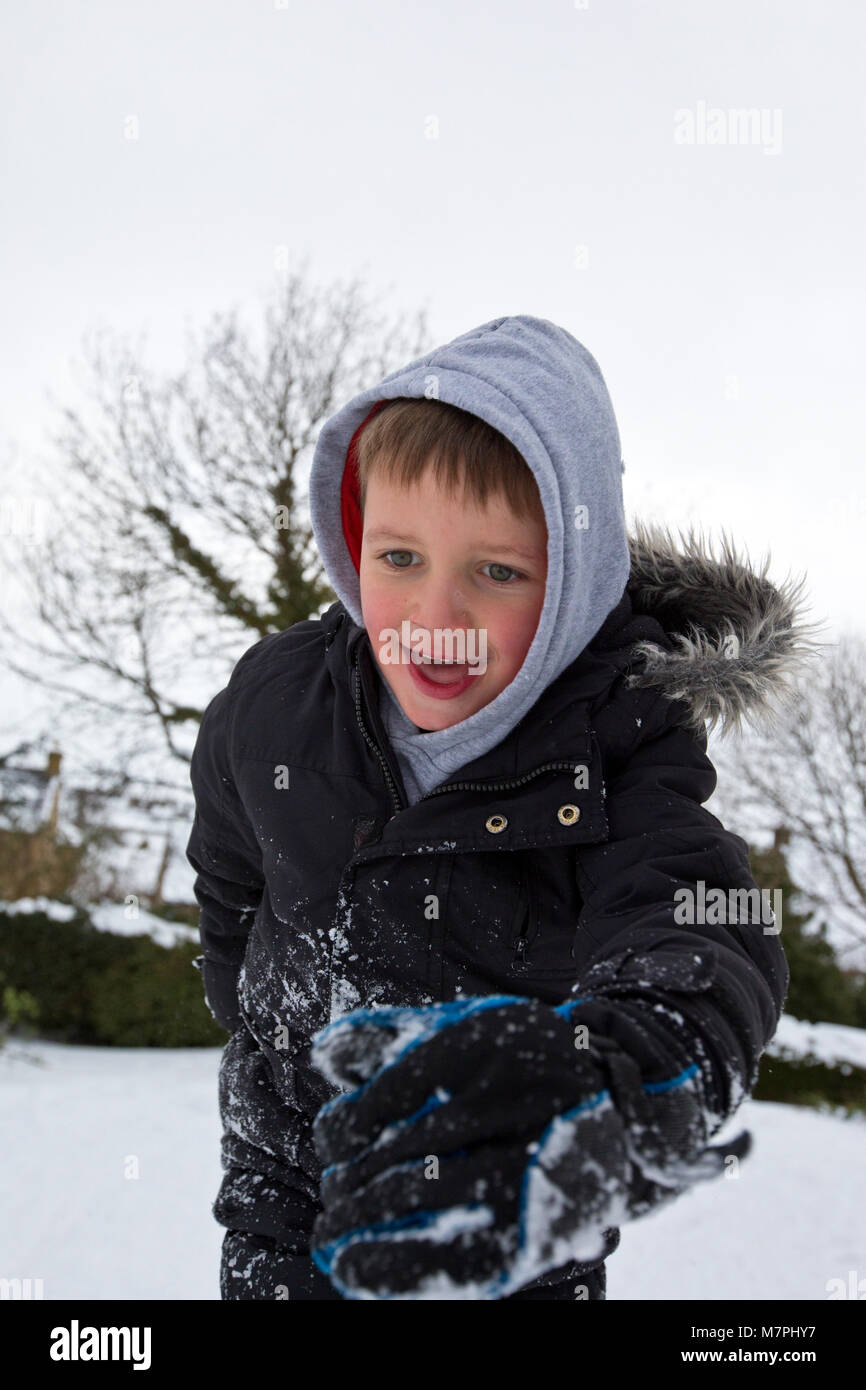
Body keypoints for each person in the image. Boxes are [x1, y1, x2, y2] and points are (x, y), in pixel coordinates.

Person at [186, 315, 815, 1301]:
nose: (433, 620)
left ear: (573, 584)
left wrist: (625, 1070)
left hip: (511, 1195)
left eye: (496, 571)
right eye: (398, 558)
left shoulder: (621, 746)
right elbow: (228, 866)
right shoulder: (274, 702)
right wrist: (246, 1004)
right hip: (288, 1183)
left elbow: (704, 911)